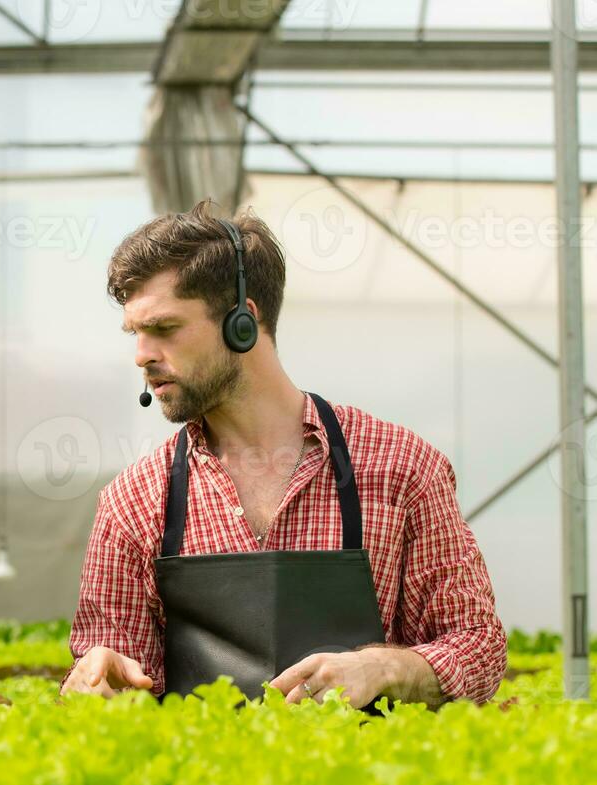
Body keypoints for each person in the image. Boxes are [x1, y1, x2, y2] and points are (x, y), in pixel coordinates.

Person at [62, 200, 506, 708]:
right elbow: (112, 667)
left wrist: (385, 666)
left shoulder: (401, 467)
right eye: (134, 334)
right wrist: (95, 679)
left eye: (164, 328)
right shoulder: (133, 500)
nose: (141, 355)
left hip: (372, 784)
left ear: (242, 323)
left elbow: (478, 647)